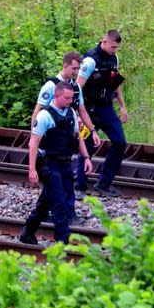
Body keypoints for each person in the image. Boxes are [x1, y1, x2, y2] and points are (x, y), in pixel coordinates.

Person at [19, 82, 93, 245]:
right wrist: (32, 169)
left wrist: (86, 157)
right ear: (56, 96)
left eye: (71, 98)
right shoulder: (45, 116)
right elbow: (34, 143)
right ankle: (63, 241)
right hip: (48, 163)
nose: (69, 101)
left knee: (48, 200)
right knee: (59, 202)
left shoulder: (71, 113)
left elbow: (77, 137)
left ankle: (28, 232)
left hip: (65, 162)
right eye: (66, 98)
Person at [32, 51, 101, 208]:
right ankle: (56, 214)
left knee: (62, 182)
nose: (76, 72)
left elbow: (82, 110)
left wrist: (93, 130)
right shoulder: (51, 86)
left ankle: (59, 212)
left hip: (66, 140)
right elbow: (37, 111)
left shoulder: (75, 87)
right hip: (50, 141)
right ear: (65, 66)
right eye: (74, 69)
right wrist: (35, 138)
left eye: (78, 69)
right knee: (56, 184)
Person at [76, 30, 127, 197]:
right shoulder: (90, 60)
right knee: (87, 145)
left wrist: (122, 106)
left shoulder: (114, 58)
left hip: (106, 107)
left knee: (120, 142)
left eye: (116, 48)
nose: (114, 50)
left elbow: (115, 82)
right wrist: (78, 113)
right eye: (112, 47)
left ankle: (104, 184)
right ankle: (80, 187)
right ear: (103, 42)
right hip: (89, 109)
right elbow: (78, 87)